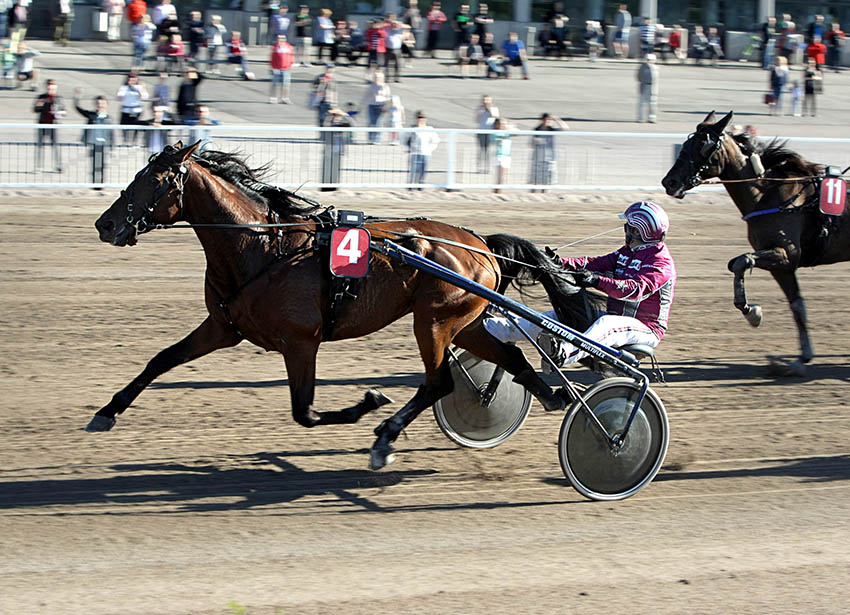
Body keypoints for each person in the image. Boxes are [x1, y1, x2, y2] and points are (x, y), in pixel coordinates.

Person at [484, 201, 677, 372]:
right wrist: (558, 262)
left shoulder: (660, 264)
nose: (626, 230)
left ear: (640, 231)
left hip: (646, 328)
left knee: (607, 325)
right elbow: (593, 263)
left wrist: (595, 281)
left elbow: (632, 290)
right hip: (618, 320)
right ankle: (492, 329)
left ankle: (563, 354)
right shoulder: (627, 253)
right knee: (554, 317)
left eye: (630, 227)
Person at [73, 88, 113, 184]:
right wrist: (77, 97)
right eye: (98, 103)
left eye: (102, 103)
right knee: (94, 164)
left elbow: (111, 134)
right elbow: (78, 109)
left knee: (102, 165)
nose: (100, 105)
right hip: (94, 143)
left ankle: (101, 183)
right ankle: (94, 183)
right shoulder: (92, 115)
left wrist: (112, 146)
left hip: (103, 144)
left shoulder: (108, 118)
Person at [33, 79, 66, 172]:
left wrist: (59, 113)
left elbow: (63, 110)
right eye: (49, 89)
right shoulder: (41, 97)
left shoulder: (59, 98)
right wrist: (39, 105)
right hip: (42, 124)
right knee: (40, 145)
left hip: (53, 125)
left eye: (52, 89)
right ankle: (38, 166)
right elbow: (35, 109)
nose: (50, 91)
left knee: (55, 145)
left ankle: (58, 165)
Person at [529, 112, 567, 192]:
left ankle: (545, 193)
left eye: (550, 120)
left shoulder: (551, 130)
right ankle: (533, 193)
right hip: (538, 157)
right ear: (542, 120)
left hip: (549, 158)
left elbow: (565, 128)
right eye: (547, 120)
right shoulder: (536, 130)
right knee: (535, 179)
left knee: (547, 180)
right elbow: (530, 144)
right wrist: (535, 141)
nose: (548, 122)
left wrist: (557, 119)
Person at [320, 106, 352, 190]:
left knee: (335, 168)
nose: (336, 116)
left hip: (338, 148)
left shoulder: (343, 124)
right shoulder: (329, 122)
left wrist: (344, 115)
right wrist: (329, 115)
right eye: (334, 114)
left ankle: (333, 186)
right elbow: (324, 124)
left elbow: (351, 124)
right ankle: (325, 186)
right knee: (327, 168)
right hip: (329, 147)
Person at [407, 110, 439, 189]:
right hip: (414, 153)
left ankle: (420, 187)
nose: (420, 119)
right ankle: (411, 186)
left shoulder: (429, 129)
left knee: (422, 171)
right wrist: (408, 148)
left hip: (425, 153)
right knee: (413, 171)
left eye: (422, 117)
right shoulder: (412, 129)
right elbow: (404, 140)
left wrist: (430, 149)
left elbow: (435, 141)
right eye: (419, 117)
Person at [116, 72, 148, 144]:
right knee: (124, 126)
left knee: (136, 126)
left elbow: (145, 97)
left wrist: (141, 89)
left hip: (136, 110)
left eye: (133, 78)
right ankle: (125, 141)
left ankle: (134, 141)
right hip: (126, 110)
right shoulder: (124, 87)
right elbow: (119, 97)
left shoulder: (139, 87)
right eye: (130, 78)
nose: (132, 79)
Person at [361, 71, 390, 144]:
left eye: (380, 78)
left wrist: (387, 107)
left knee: (379, 123)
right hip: (372, 106)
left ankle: (377, 138)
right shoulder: (371, 86)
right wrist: (361, 105)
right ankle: (370, 138)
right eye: (376, 77)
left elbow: (388, 98)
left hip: (381, 106)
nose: (378, 79)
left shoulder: (385, 87)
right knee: (372, 122)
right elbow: (366, 96)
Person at [475, 94, 497, 173]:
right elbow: (477, 120)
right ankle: (479, 167)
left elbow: (496, 117)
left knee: (488, 150)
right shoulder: (479, 108)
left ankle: (488, 167)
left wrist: (490, 109)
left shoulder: (494, 108)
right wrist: (480, 113)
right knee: (481, 150)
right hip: (481, 131)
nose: (486, 101)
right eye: (484, 100)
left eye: (487, 100)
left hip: (490, 132)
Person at [269, 34, 294, 103]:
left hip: (286, 68)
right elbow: (272, 58)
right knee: (275, 84)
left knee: (286, 84)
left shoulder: (289, 47)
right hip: (276, 68)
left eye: (283, 39)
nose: (281, 40)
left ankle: (285, 98)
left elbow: (291, 57)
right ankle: (273, 97)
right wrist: (272, 67)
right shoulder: (275, 47)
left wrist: (290, 65)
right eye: (279, 39)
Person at [312, 63, 337, 127]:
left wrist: (335, 102)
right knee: (322, 119)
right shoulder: (320, 77)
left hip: (331, 101)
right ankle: (321, 134)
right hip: (322, 101)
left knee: (333, 119)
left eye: (331, 68)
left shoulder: (333, 79)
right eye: (328, 68)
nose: (330, 70)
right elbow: (314, 87)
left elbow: (334, 91)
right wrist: (321, 83)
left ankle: (330, 134)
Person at [636, 53, 658, 123]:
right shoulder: (642, 67)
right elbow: (638, 76)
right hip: (644, 86)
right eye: (647, 59)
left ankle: (652, 118)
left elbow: (656, 78)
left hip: (652, 87)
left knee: (652, 103)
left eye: (650, 60)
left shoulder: (655, 68)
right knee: (641, 102)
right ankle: (640, 118)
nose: (648, 61)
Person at [492, 117, 511, 194]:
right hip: (499, 156)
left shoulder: (507, 132)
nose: (503, 125)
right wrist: (505, 134)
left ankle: (498, 191)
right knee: (500, 176)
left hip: (507, 155)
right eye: (502, 124)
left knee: (504, 177)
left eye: (505, 124)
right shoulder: (496, 133)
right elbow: (499, 142)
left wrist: (512, 128)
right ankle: (497, 192)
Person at [385, 13, 404, 82]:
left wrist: (396, 23)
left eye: (394, 17)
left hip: (397, 49)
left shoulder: (399, 29)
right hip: (388, 48)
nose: (394, 26)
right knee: (386, 64)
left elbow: (404, 26)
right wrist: (389, 22)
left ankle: (397, 78)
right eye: (391, 17)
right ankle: (387, 77)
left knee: (398, 64)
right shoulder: (386, 29)